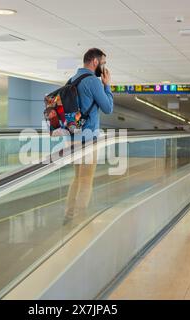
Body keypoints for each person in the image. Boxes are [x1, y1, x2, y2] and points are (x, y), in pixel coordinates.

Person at [63, 48, 114, 225]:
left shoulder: (72, 79)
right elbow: (108, 108)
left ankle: (69, 215)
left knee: (77, 178)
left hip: (73, 139)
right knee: (86, 180)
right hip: (88, 140)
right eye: (103, 63)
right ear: (95, 62)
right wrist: (107, 85)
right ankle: (80, 219)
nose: (104, 66)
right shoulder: (93, 81)